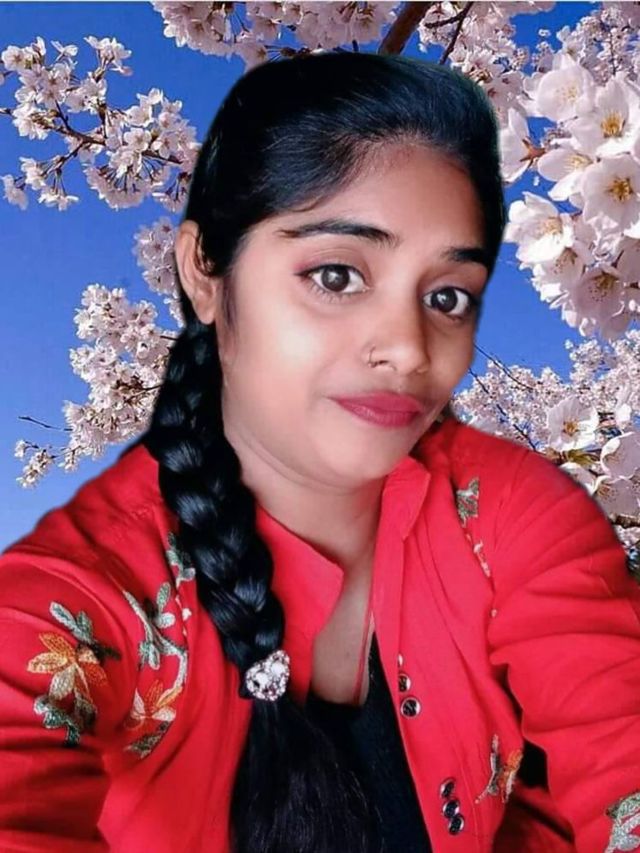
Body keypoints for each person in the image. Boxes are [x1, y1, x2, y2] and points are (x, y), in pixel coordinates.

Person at [1, 48, 639, 853]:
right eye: (337, 276)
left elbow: (616, 736)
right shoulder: (95, 588)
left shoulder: (513, 513)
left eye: (447, 295)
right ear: (205, 272)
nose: (408, 349)